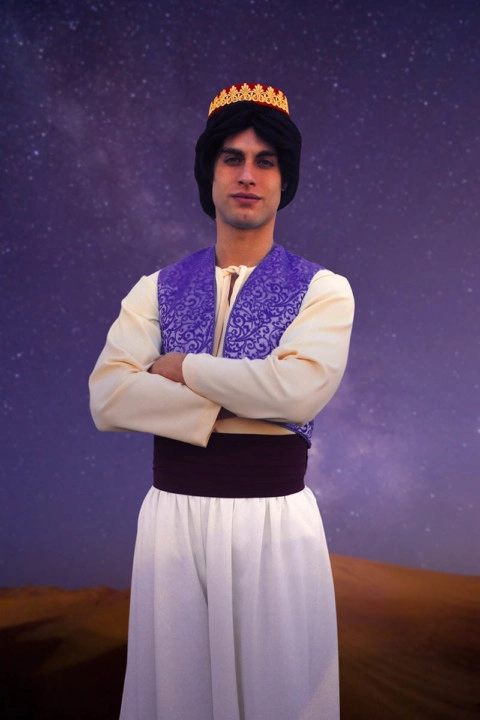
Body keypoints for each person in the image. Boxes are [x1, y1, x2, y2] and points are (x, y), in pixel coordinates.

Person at [89, 82, 354, 720]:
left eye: (266, 161)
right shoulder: (154, 289)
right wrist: (239, 402)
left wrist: (183, 368)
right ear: (209, 173)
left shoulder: (324, 290)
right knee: (176, 695)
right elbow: (108, 395)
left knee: (279, 695)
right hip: (171, 522)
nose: (247, 175)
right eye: (232, 158)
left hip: (275, 523)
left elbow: (301, 390)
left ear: (284, 181)